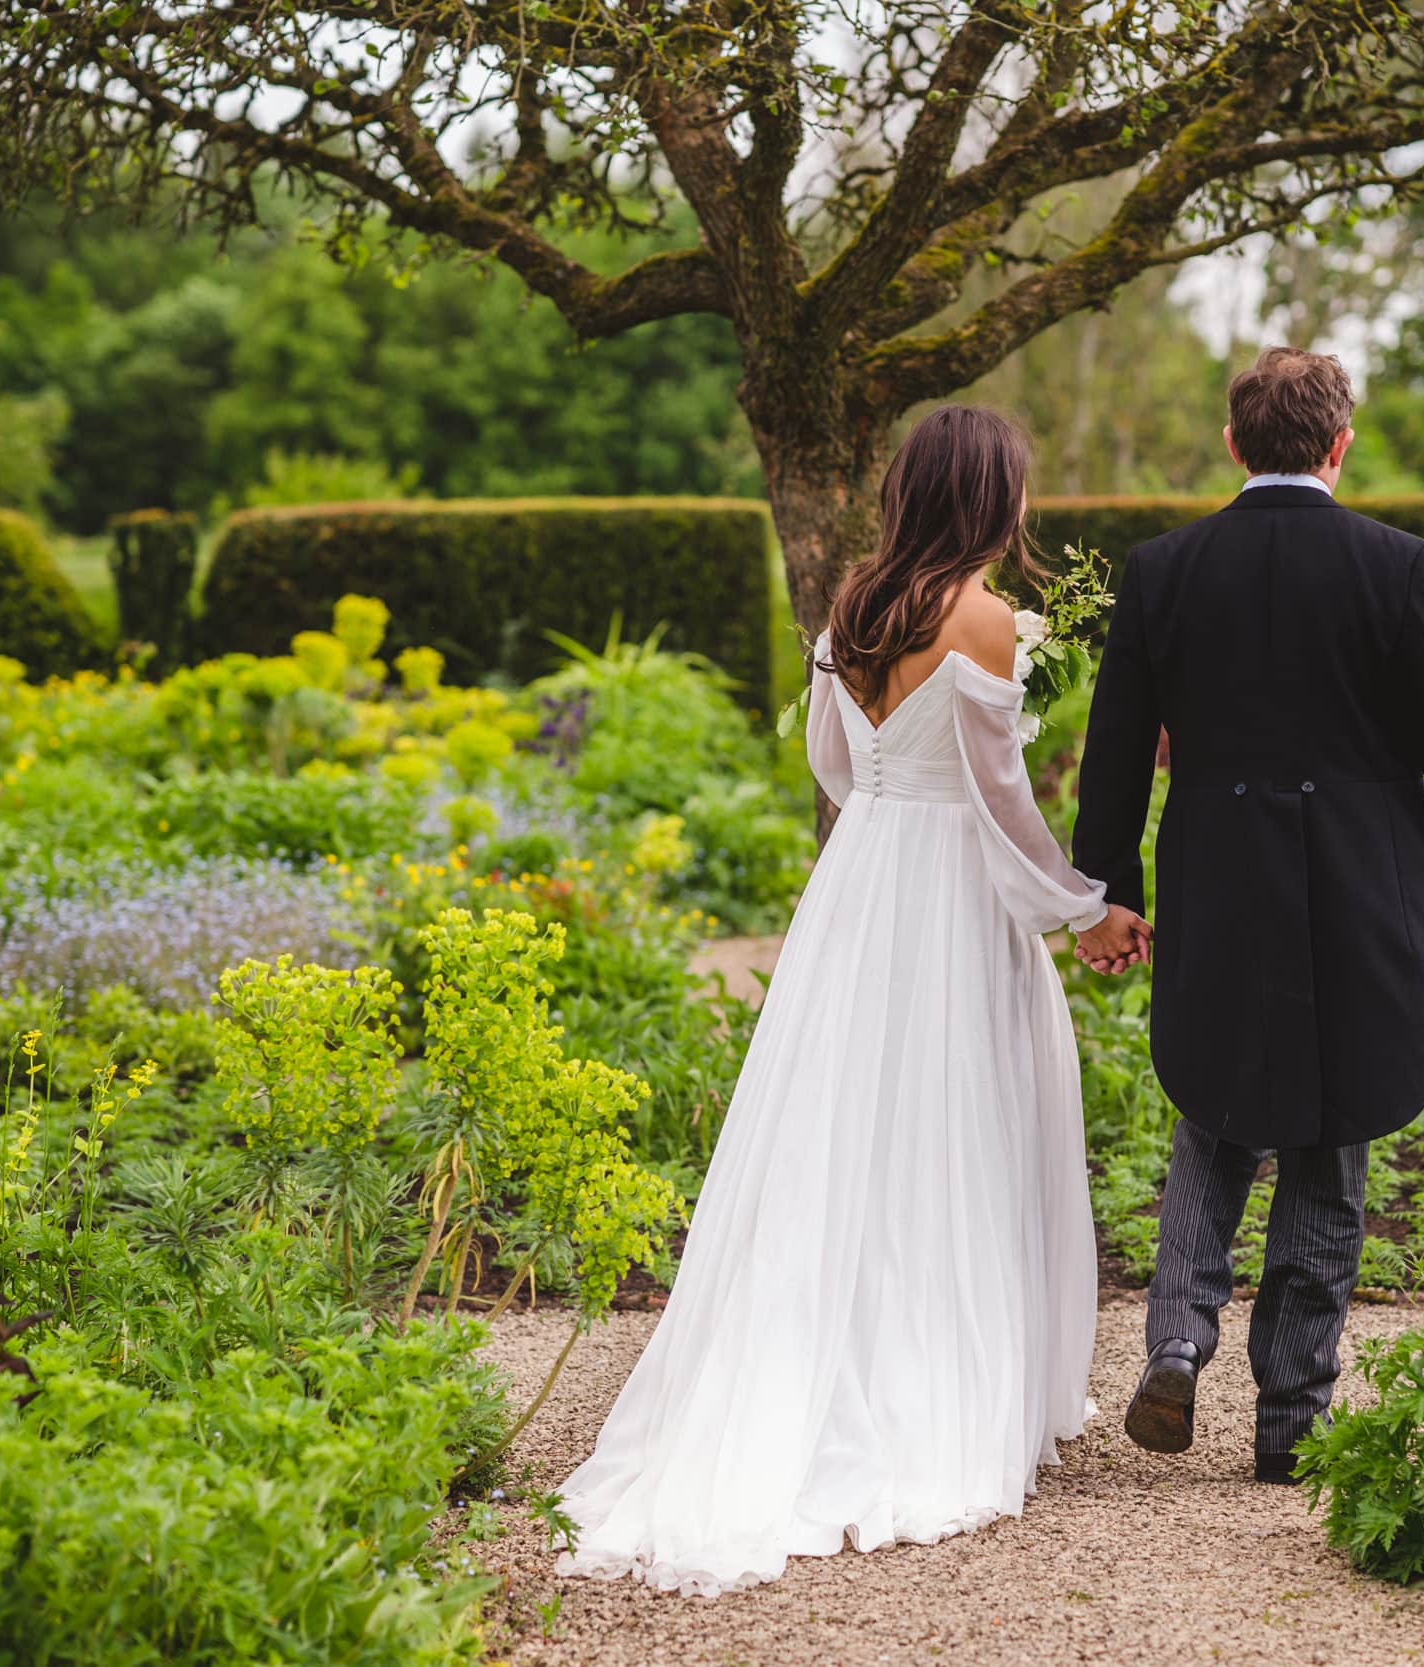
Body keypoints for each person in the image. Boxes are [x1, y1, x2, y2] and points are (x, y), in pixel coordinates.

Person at [554, 406, 1145, 1596]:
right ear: (991, 497)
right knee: (951, 1128)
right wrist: (1083, 905)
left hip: (858, 886)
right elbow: (1000, 801)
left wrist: (887, 798)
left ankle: (814, 1353)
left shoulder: (855, 608)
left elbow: (834, 763)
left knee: (840, 1128)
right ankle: (933, 1378)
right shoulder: (981, 620)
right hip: (948, 899)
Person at [1070, 345, 1424, 1484]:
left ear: (1232, 443)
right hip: (1368, 882)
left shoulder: (1163, 569)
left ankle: (1175, 1340)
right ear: (1338, 443)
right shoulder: (1400, 566)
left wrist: (1107, 885)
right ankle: (1292, 1417)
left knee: (1214, 1107)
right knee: (1332, 1127)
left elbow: (1113, 754)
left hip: (1219, 875)